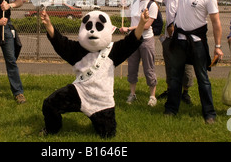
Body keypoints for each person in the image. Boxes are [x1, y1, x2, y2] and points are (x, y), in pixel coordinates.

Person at [40, 9, 149, 138]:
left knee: (108, 135)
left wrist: (141, 23)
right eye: (89, 26)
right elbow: (60, 42)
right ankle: (52, 129)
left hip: (102, 101)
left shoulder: (113, 51)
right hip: (80, 92)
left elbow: (131, 42)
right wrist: (48, 25)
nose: (92, 30)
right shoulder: (76, 50)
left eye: (98, 27)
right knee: (50, 104)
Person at [151, 0, 223, 124]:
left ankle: (209, 114)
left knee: (202, 78)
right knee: (175, 77)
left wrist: (218, 46)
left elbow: (216, 23)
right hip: (179, 41)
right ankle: (171, 109)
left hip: (197, 43)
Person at [152, 0, 194, 104]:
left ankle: (185, 92)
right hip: (169, 39)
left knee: (186, 66)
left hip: (184, 39)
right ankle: (170, 89)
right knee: (169, 64)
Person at [120, 0, 158, 106]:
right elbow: (130, 16)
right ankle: (132, 94)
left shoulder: (152, 5)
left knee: (149, 68)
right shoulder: (136, 0)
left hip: (146, 39)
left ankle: (152, 96)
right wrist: (124, 6)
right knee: (132, 67)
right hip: (133, 40)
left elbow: (146, 25)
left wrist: (129, 29)